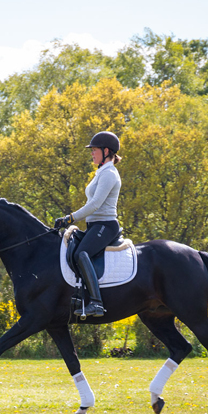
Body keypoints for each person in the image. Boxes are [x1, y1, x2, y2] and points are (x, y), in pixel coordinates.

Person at [54, 131, 122, 317]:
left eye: (94, 150)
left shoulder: (109, 174)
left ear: (106, 151)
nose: (91, 153)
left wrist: (70, 218)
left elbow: (94, 204)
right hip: (95, 226)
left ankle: (96, 303)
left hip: (105, 226)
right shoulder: (101, 172)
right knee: (74, 248)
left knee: (82, 253)